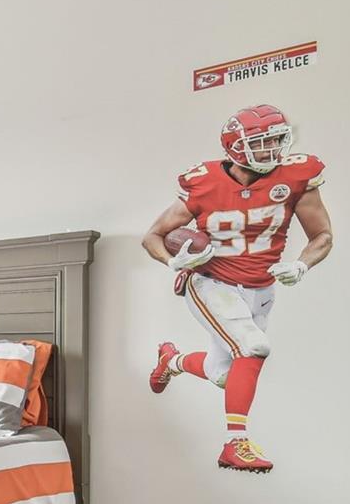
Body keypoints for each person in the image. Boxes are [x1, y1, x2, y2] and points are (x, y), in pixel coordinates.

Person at [141, 103, 335, 473]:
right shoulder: (204, 182)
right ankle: (236, 443)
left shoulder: (296, 176)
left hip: (261, 288)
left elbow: (323, 235)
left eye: (277, 140)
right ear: (236, 147)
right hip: (211, 282)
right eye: (263, 142)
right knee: (254, 347)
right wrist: (172, 261)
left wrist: (301, 264)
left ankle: (172, 360)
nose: (273, 149)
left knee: (224, 375)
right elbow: (153, 235)